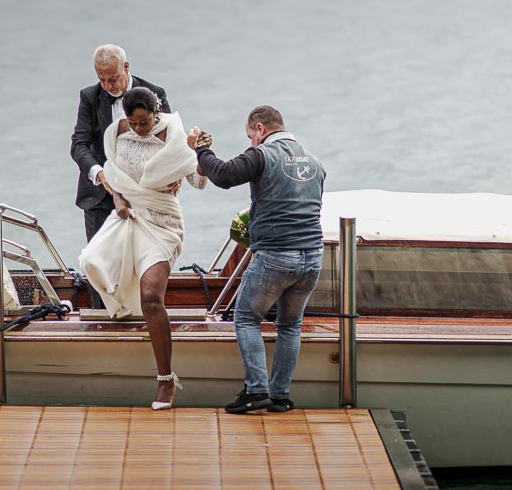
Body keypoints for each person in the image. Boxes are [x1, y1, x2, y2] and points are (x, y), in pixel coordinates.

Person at [189, 106, 326, 414]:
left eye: (250, 135)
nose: (251, 141)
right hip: (313, 256)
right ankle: (280, 396)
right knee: (290, 325)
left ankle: (256, 390)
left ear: (261, 129)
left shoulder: (262, 154)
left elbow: (223, 175)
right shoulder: (315, 162)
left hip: (276, 255)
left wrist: (202, 149)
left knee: (246, 318)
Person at [78, 87, 206, 409]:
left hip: (163, 223)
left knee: (151, 296)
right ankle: (125, 309)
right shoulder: (116, 132)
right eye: (133, 123)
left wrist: (200, 152)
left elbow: (199, 181)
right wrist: (117, 197)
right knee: (90, 261)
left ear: (156, 112)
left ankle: (165, 380)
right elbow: (113, 174)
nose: (138, 128)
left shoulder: (174, 135)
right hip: (128, 216)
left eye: (144, 122)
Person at [71, 44, 169, 242]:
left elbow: (169, 141)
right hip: (100, 198)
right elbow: (79, 145)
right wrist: (101, 175)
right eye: (102, 80)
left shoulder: (154, 93)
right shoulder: (89, 97)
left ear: (126, 66)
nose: (107, 86)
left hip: (144, 195)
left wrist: (171, 175)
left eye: (113, 79)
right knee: (98, 257)